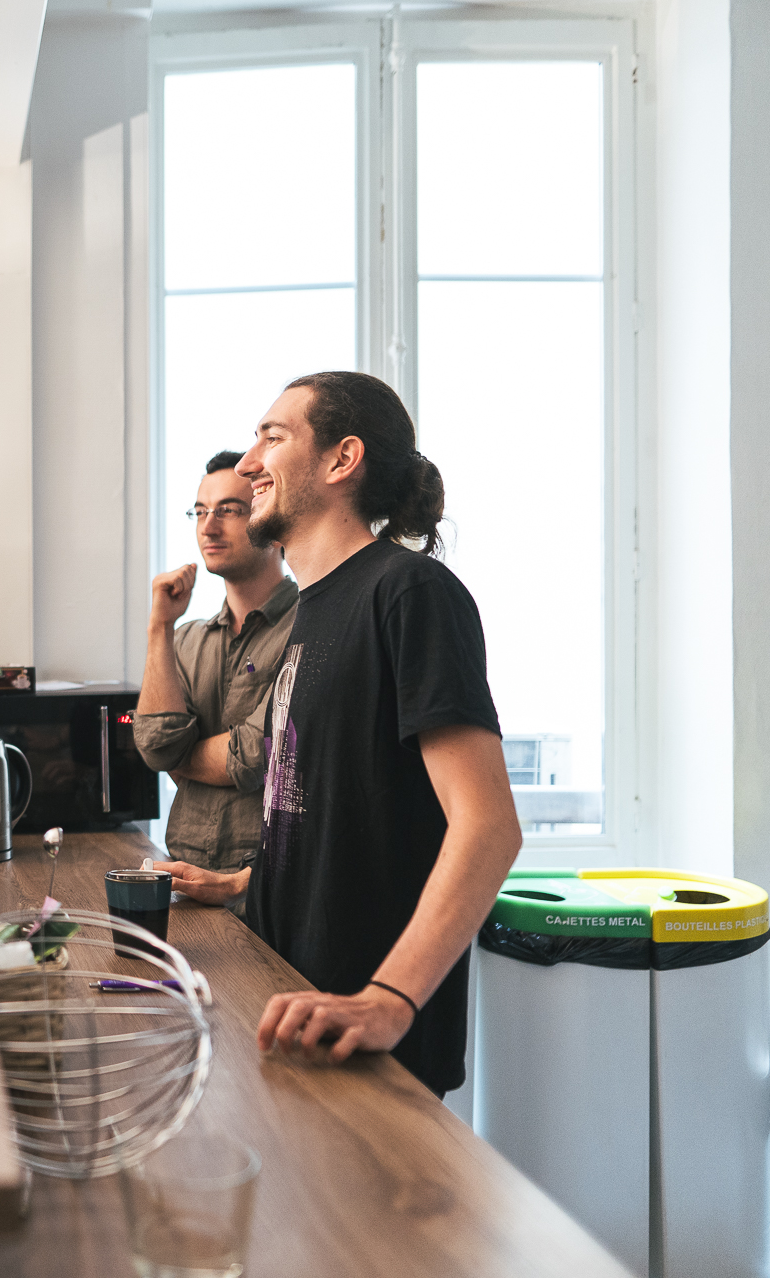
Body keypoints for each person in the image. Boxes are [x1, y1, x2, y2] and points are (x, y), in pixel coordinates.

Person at [158, 371, 520, 1097]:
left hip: (364, 1030)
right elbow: (336, 806)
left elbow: (488, 827)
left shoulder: (410, 593)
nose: (250, 462)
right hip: (289, 999)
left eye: (273, 436)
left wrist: (388, 999)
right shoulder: (316, 608)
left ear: (341, 459)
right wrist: (245, 883)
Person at [133, 450, 298, 910]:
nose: (208, 526)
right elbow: (155, 748)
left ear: (270, 520)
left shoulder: (309, 629)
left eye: (228, 510)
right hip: (183, 881)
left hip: (267, 890)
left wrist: (183, 757)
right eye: (200, 511)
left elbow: (257, 753)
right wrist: (159, 627)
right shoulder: (184, 639)